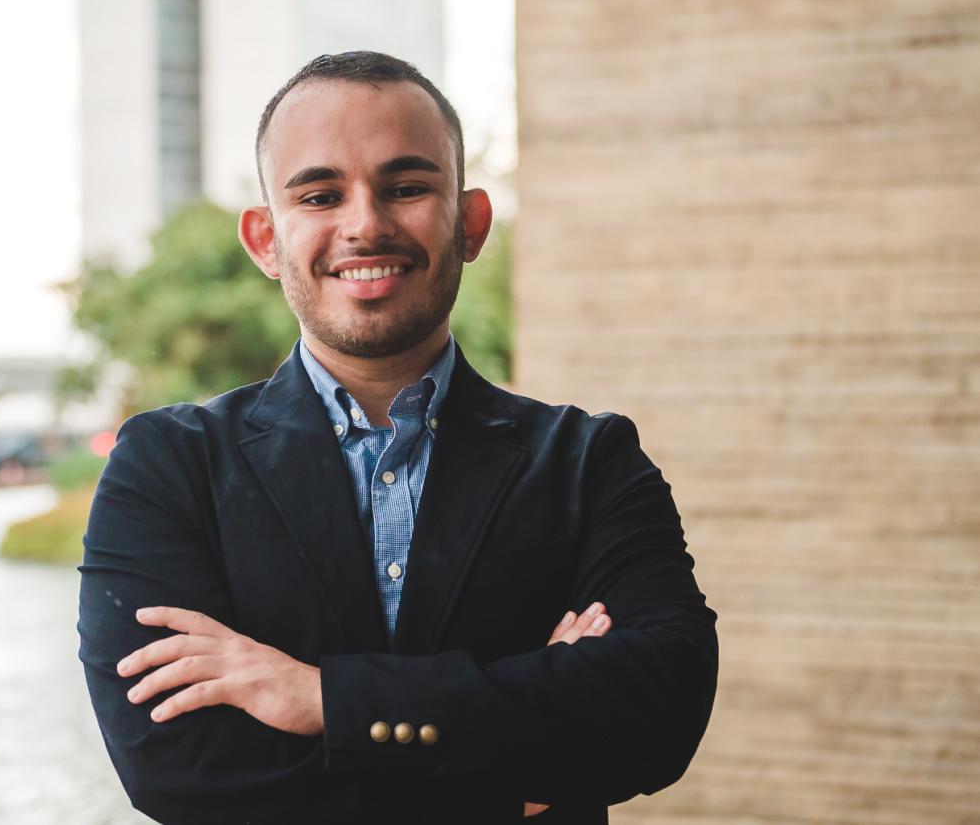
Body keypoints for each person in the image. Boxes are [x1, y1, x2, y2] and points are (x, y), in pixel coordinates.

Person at [77, 51, 718, 823]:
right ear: (265, 241)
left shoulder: (589, 460)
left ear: (470, 222)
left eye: (407, 187)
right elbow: (179, 772)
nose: (366, 224)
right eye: (320, 194)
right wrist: (522, 766)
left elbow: (662, 709)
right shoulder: (168, 466)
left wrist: (318, 698)